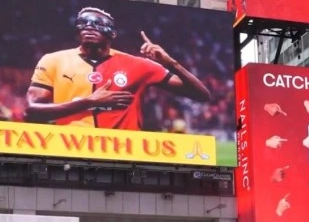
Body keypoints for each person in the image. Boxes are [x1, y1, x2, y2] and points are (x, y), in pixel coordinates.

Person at [25, 7, 210, 131]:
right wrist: (88, 102)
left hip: (123, 156)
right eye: (83, 22)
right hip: (72, 151)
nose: (89, 27)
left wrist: (171, 63)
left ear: (112, 34)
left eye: (98, 23)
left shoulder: (138, 65)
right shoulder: (53, 60)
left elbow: (201, 95)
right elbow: (32, 111)